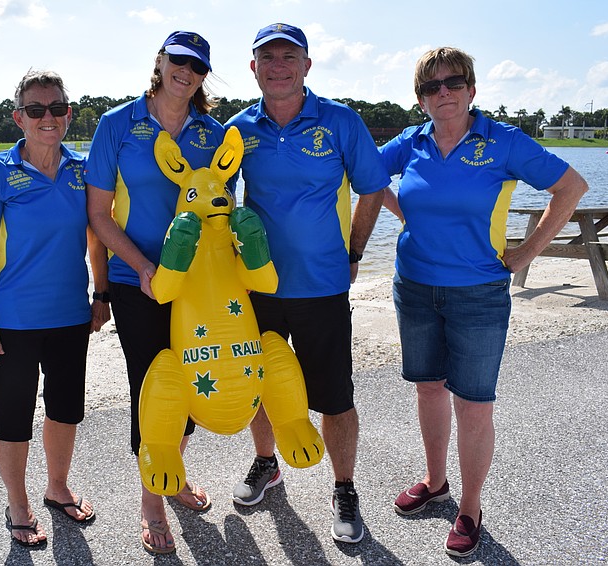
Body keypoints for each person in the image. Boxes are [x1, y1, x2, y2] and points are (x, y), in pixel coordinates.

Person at [380, 47, 588, 557]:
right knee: (428, 389)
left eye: (453, 83)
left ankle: (470, 506)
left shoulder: (504, 141)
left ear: (472, 89)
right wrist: (404, 216)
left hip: (479, 292)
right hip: (414, 287)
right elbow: (362, 173)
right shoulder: (412, 141)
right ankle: (435, 482)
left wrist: (526, 253)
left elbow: (570, 186)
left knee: (473, 403)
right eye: (431, 87)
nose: (443, 92)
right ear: (420, 99)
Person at [225, 23, 391, 544]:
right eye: (267, 57)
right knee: (259, 388)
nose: (278, 66)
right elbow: (214, 199)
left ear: (306, 65)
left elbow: (373, 190)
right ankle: (266, 462)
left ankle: (344, 488)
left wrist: (356, 253)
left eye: (288, 56)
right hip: (259, 287)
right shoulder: (238, 129)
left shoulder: (340, 121)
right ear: (253, 68)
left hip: (322, 286)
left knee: (334, 397)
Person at [84, 31, 226, 554]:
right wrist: (143, 265)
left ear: (203, 75)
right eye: (178, 61)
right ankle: (152, 502)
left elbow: (220, 209)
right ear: (159, 62)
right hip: (134, 280)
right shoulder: (116, 125)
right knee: (151, 389)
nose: (185, 72)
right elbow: (97, 215)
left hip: (197, 288)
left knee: (193, 381)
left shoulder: (212, 133)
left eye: (197, 66)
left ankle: (175, 473)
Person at [0, 70, 110, 547]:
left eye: (56, 108)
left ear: (69, 114)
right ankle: (19, 504)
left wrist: (102, 294)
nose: (47, 118)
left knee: (66, 409)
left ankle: (57, 487)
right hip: (13, 321)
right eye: (36, 110)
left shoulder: (84, 169)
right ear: (19, 118)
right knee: (13, 415)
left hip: (71, 315)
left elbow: (97, 238)